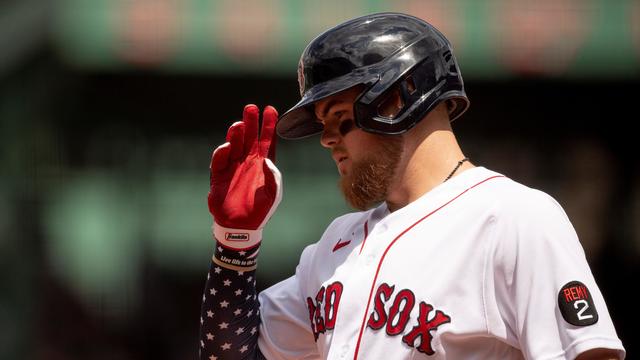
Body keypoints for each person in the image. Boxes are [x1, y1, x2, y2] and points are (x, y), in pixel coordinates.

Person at [199, 12, 625, 360]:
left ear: (399, 98)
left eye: (338, 117)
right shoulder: (335, 247)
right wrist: (236, 242)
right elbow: (233, 355)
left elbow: (589, 356)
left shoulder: (513, 218)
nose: (327, 139)